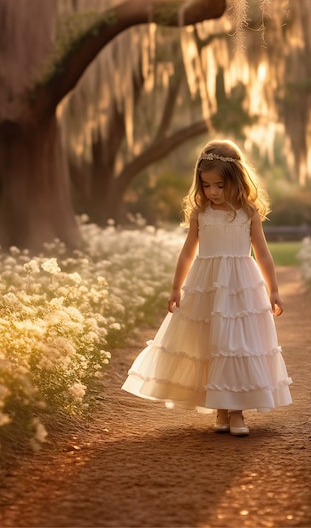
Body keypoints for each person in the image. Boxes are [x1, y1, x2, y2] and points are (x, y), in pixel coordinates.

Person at [121, 139, 292, 436]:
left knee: (236, 346)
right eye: (206, 185)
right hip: (207, 284)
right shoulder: (200, 214)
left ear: (236, 181)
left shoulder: (247, 212)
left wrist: (274, 290)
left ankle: (238, 412)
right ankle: (220, 410)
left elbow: (262, 253)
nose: (212, 192)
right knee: (211, 344)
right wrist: (176, 288)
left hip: (241, 285)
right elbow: (188, 252)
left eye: (219, 186)